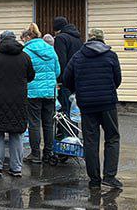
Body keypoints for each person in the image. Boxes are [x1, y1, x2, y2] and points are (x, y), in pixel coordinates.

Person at [62, 27, 123, 190]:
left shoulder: (78, 56)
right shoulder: (111, 55)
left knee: (90, 141)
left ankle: (94, 180)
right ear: (102, 39)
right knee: (112, 137)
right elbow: (118, 79)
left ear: (88, 39)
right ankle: (110, 176)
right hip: (107, 103)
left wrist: (79, 90)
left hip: (87, 104)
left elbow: (66, 79)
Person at [0, 30, 34, 178]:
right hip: (18, 100)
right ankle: (16, 168)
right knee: (16, 134)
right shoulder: (24, 56)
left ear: (0, 41)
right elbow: (31, 76)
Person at [21, 23, 59, 164]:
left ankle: (35, 154)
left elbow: (24, 72)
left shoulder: (26, 51)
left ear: (28, 37)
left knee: (34, 123)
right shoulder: (50, 49)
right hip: (50, 92)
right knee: (48, 123)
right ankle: (48, 152)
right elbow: (58, 71)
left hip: (32, 92)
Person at [52, 16, 83, 114]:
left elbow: (61, 60)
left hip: (65, 81)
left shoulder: (61, 38)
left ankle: (64, 130)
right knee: (73, 110)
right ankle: (73, 129)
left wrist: (59, 80)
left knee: (64, 110)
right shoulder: (78, 38)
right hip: (77, 78)